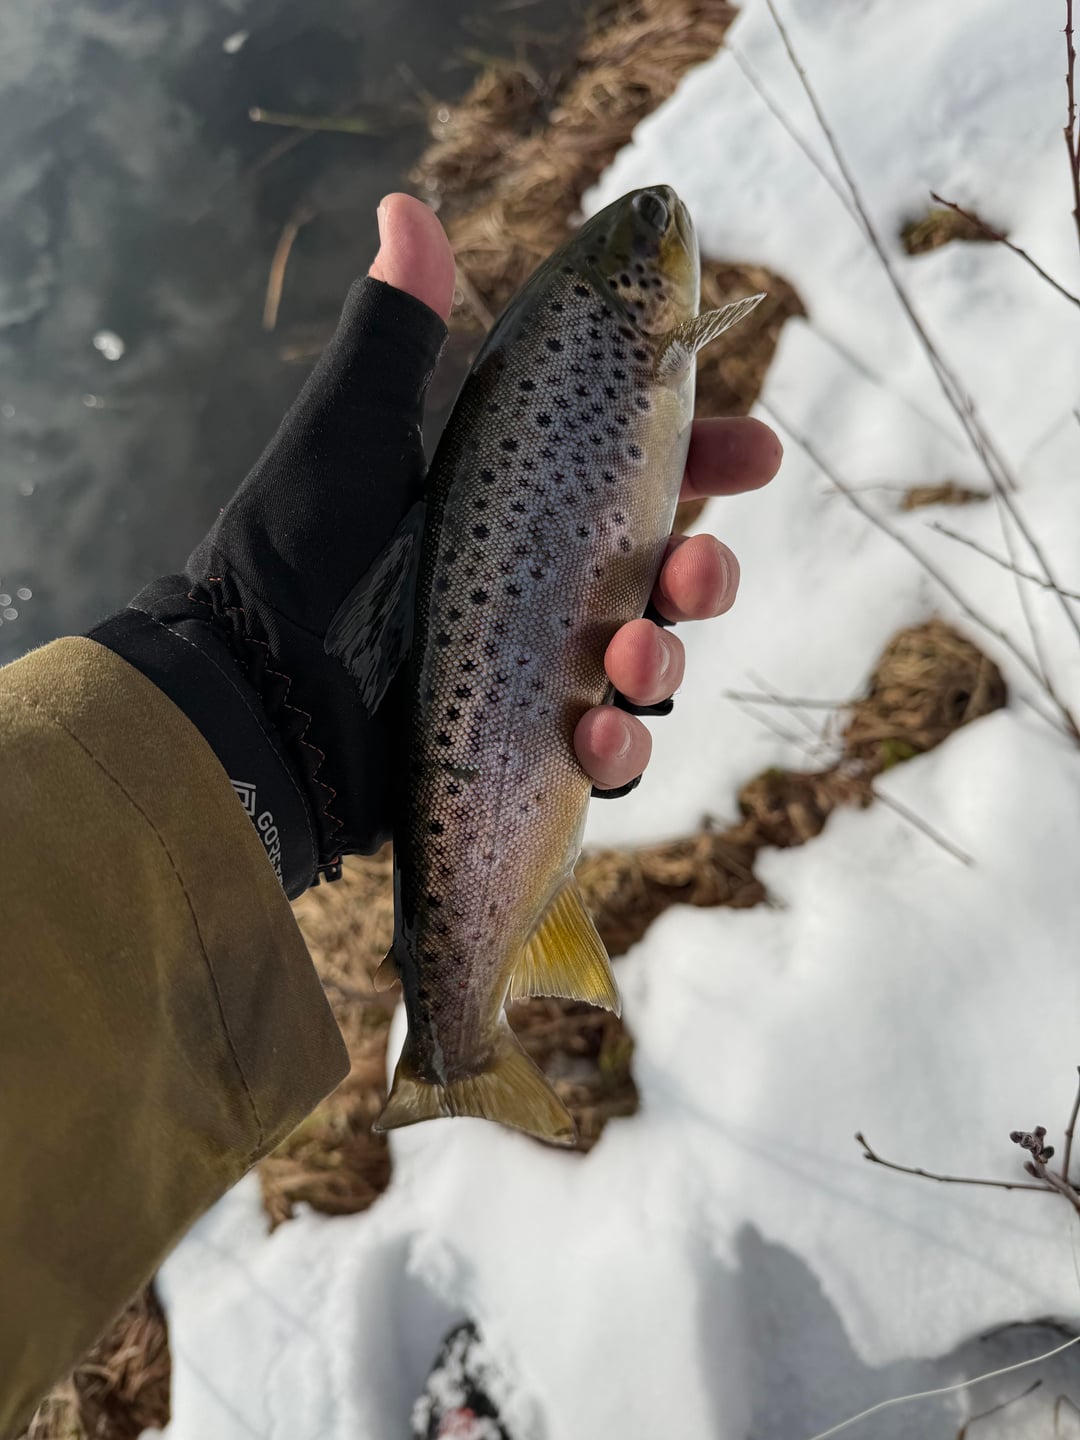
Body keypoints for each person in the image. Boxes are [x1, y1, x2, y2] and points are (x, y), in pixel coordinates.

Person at [0, 194, 781, 1436]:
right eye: (653, 248)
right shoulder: (655, 338)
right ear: (656, 311)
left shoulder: (630, 349)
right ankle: (463, 1045)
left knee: (607, 694)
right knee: (602, 701)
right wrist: (248, 703)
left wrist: (251, 698)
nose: (666, 232)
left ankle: (464, 1033)